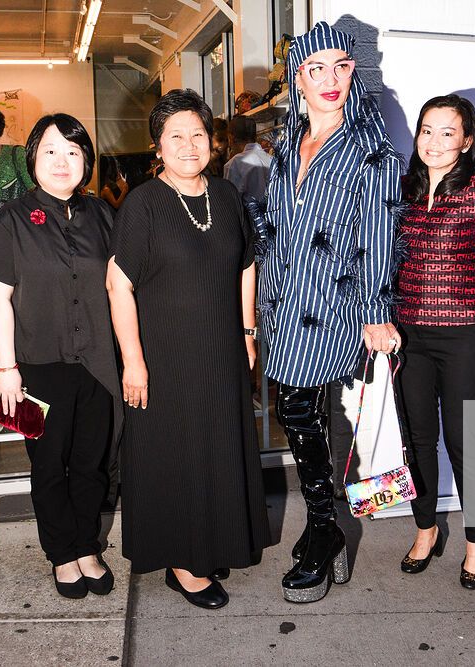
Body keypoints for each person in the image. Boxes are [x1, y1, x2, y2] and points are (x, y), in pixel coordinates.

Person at [249, 21, 402, 604]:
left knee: (298, 409)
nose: (330, 78)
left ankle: (323, 530)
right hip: (284, 301)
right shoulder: (287, 145)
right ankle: (324, 526)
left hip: (335, 301)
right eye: (316, 68)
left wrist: (376, 311)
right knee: (299, 412)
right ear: (298, 79)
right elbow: (279, 225)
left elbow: (381, 236)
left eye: (340, 66)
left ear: (353, 71)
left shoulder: (371, 149)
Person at [106, 89, 272, 611]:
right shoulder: (143, 204)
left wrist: (247, 332)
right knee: (177, 453)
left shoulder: (225, 195)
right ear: (158, 146)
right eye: (175, 136)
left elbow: (246, 264)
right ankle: (182, 562)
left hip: (221, 347)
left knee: (217, 444)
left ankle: (213, 540)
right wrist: (133, 361)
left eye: (197, 134)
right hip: (166, 355)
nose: (188, 144)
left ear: (212, 141)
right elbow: (118, 284)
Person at [0, 113, 120, 600]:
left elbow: (120, 286)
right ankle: (61, 553)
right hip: (38, 366)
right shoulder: (11, 220)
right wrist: (6, 368)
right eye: (51, 151)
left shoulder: (102, 215)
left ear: (86, 161)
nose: (62, 161)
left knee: (91, 464)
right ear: (33, 157)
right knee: (49, 465)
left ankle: (87, 547)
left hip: (97, 362)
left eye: (73, 152)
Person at [394, 95, 475, 588]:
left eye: (447, 132)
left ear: (466, 140)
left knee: (465, 444)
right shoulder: (403, 190)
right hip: (409, 335)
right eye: (427, 130)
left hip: (465, 334)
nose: (434, 142)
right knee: (417, 440)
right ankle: (426, 529)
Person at [223, 115, 272, 204]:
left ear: (231, 138)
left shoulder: (235, 163)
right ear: (255, 136)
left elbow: (230, 202)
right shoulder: (271, 159)